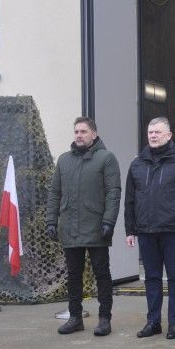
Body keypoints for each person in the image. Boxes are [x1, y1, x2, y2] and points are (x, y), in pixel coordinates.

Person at [124, 117, 175, 340]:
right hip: (146, 231)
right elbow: (130, 199)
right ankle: (153, 322)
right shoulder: (137, 164)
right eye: (150, 132)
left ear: (169, 135)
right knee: (151, 278)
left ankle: (174, 323)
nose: (153, 135)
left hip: (174, 230)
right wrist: (130, 229)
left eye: (158, 132)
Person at [46, 116, 122, 336]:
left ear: (94, 134)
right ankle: (75, 317)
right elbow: (55, 193)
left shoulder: (106, 159)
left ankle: (105, 319)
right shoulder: (64, 160)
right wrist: (51, 220)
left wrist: (108, 221)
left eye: (83, 132)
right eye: (76, 132)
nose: (79, 135)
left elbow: (113, 193)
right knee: (73, 274)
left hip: (96, 226)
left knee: (101, 274)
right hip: (69, 226)